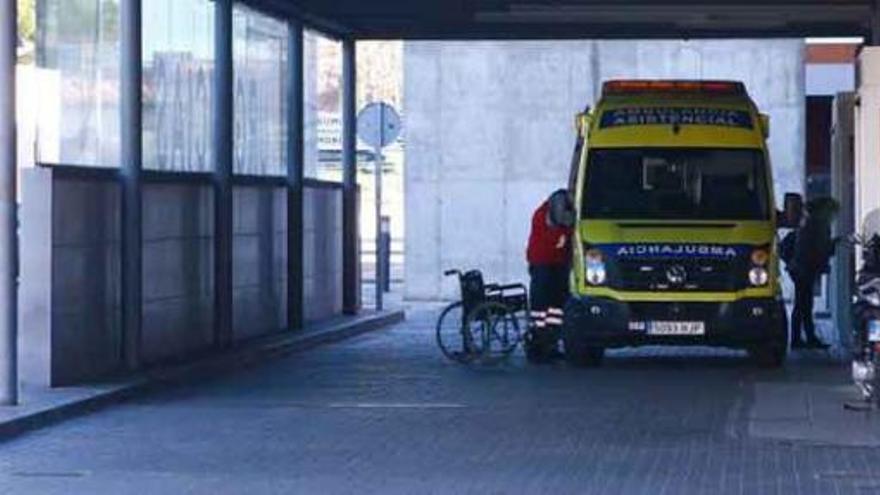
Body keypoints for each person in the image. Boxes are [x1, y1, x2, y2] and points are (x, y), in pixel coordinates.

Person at [781, 197, 839, 349]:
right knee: (803, 305)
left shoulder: (808, 222)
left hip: (799, 268)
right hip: (805, 269)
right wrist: (834, 244)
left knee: (803, 304)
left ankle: (801, 338)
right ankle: (803, 339)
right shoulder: (818, 225)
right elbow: (820, 248)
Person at [525, 189, 574, 362]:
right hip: (544, 264)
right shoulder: (547, 214)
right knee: (542, 305)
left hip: (556, 264)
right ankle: (538, 344)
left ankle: (550, 343)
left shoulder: (548, 211)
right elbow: (562, 224)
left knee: (555, 306)